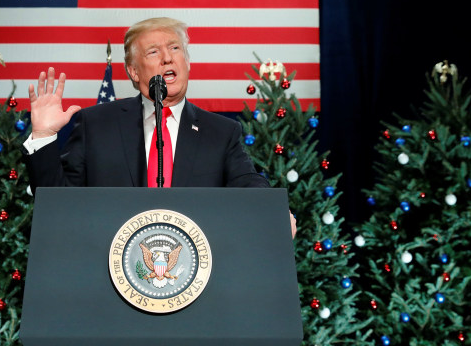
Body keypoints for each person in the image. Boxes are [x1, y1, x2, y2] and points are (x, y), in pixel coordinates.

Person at [23, 17, 297, 238]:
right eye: (154, 52)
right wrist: (44, 137)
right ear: (133, 71)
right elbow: (59, 202)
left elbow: (246, 182)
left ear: (187, 62)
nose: (167, 58)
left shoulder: (221, 132)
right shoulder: (96, 124)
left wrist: (270, 209)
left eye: (175, 48)